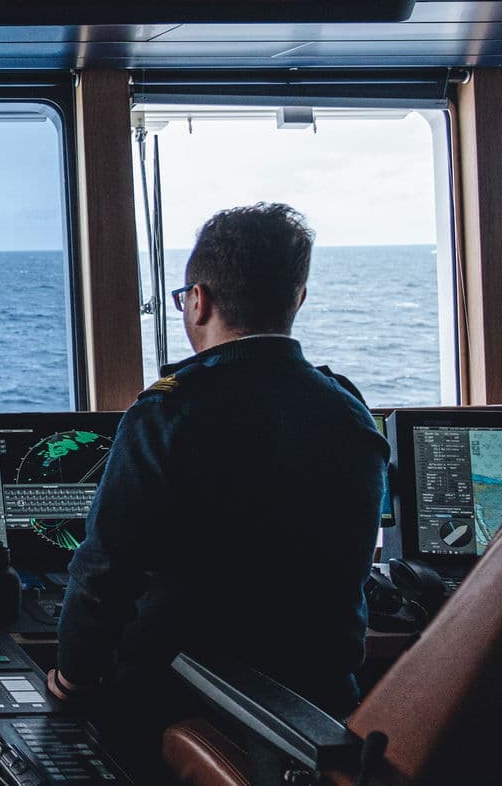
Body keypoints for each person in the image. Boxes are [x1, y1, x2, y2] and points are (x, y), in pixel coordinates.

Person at [49, 204, 387, 742]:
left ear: (198, 302)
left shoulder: (170, 412)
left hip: (181, 705)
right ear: (296, 299)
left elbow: (105, 573)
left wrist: (71, 677)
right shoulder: (349, 409)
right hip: (321, 713)